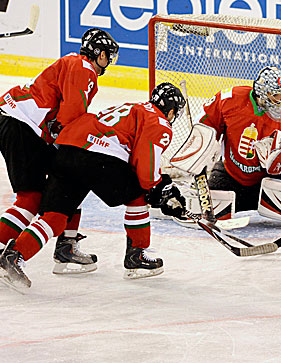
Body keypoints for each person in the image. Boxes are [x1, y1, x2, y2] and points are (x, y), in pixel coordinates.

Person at [0, 83, 187, 288]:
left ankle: (16, 256)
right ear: (170, 111)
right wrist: (160, 189)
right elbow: (145, 171)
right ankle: (136, 257)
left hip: (66, 150)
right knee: (138, 195)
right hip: (97, 157)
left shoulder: (132, 107)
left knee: (55, 216)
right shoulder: (159, 121)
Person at [0, 28, 119, 274]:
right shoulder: (84, 69)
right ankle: (61, 245)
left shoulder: (73, 64)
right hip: (21, 125)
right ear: (98, 53)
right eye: (108, 56)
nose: (108, 62)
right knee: (32, 198)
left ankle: (67, 245)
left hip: (19, 123)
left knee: (67, 179)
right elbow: (69, 116)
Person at [196, 65, 281, 212]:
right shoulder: (230, 99)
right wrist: (206, 145)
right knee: (211, 205)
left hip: (265, 179)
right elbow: (204, 121)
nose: (280, 99)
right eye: (275, 95)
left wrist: (277, 158)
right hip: (231, 174)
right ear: (262, 92)